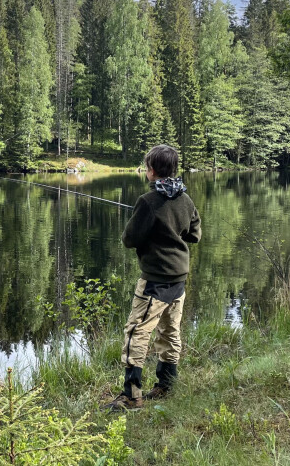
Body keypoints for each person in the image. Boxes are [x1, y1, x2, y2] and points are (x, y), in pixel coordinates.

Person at [105, 144, 201, 411]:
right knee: (170, 331)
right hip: (179, 278)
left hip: (155, 281)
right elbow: (194, 235)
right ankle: (167, 385)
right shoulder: (186, 199)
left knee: (136, 333)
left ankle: (131, 396)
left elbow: (129, 239)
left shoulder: (147, 202)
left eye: (147, 166)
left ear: (152, 170)